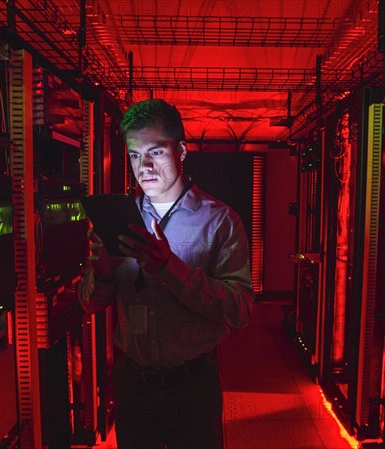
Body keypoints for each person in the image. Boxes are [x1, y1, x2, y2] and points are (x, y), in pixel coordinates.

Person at [78, 98, 254, 449]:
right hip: (132, 383)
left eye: (156, 152)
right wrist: (102, 275)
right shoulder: (119, 219)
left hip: (192, 385)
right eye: (134, 155)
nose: (144, 166)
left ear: (182, 151)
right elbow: (89, 304)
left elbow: (240, 309)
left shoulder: (219, 221)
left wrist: (168, 268)